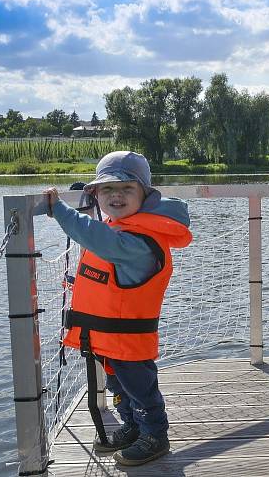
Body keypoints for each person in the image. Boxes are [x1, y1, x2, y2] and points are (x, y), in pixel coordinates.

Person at [44, 151, 193, 465]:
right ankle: (133, 427)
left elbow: (97, 236)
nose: (116, 196)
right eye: (106, 189)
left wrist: (60, 210)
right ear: (96, 194)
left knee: (141, 390)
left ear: (146, 195)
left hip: (129, 341)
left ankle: (155, 436)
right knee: (117, 386)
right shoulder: (120, 227)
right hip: (109, 339)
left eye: (127, 189)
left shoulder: (136, 242)